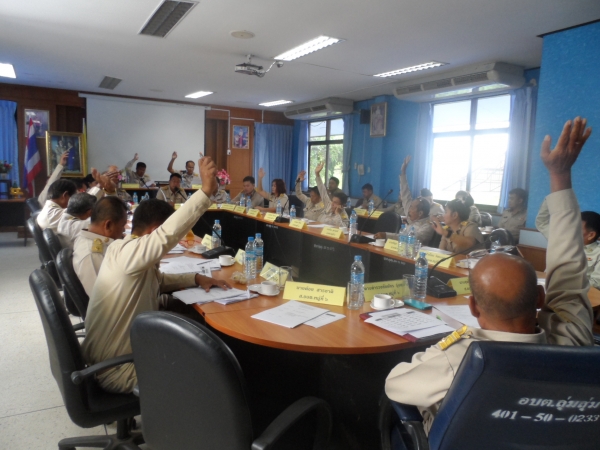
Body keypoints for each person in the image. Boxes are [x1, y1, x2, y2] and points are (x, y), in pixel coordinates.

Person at [385, 117, 594, 435]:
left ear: (473, 307)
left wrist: (441, 349)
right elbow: (569, 270)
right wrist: (560, 175)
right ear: (540, 298)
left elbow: (395, 384)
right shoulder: (574, 341)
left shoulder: (461, 359)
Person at [82, 156, 230, 394]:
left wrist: (195, 278)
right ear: (154, 231)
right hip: (119, 368)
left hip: (124, 354)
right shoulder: (129, 253)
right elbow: (167, 235)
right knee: (211, 368)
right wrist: (204, 193)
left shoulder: (125, 251)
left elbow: (157, 281)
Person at [73, 196, 128, 297]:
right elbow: (103, 299)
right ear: (108, 225)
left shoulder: (87, 237)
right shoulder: (93, 256)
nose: (124, 230)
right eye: (122, 225)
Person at [537, 203, 600, 290]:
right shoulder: (562, 240)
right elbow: (542, 223)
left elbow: (596, 283)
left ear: (591, 235)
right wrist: (550, 200)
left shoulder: (598, 253)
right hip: (548, 287)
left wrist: (566, 282)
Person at [374, 156, 434, 246]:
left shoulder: (428, 226)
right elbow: (405, 194)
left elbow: (411, 239)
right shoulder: (413, 217)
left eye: (411, 208)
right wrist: (403, 171)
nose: (408, 210)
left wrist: (386, 235)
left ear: (420, 213)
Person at [37, 169, 117, 231]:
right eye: (74, 197)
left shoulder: (47, 210)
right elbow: (82, 203)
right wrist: (103, 185)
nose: (76, 200)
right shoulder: (53, 215)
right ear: (64, 196)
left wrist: (101, 185)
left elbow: (83, 202)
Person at [314, 162, 349, 227]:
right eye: (332, 201)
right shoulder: (329, 205)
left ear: (342, 206)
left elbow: (342, 228)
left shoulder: (344, 216)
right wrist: (317, 174)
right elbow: (322, 191)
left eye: (335, 202)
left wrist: (337, 214)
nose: (332, 204)